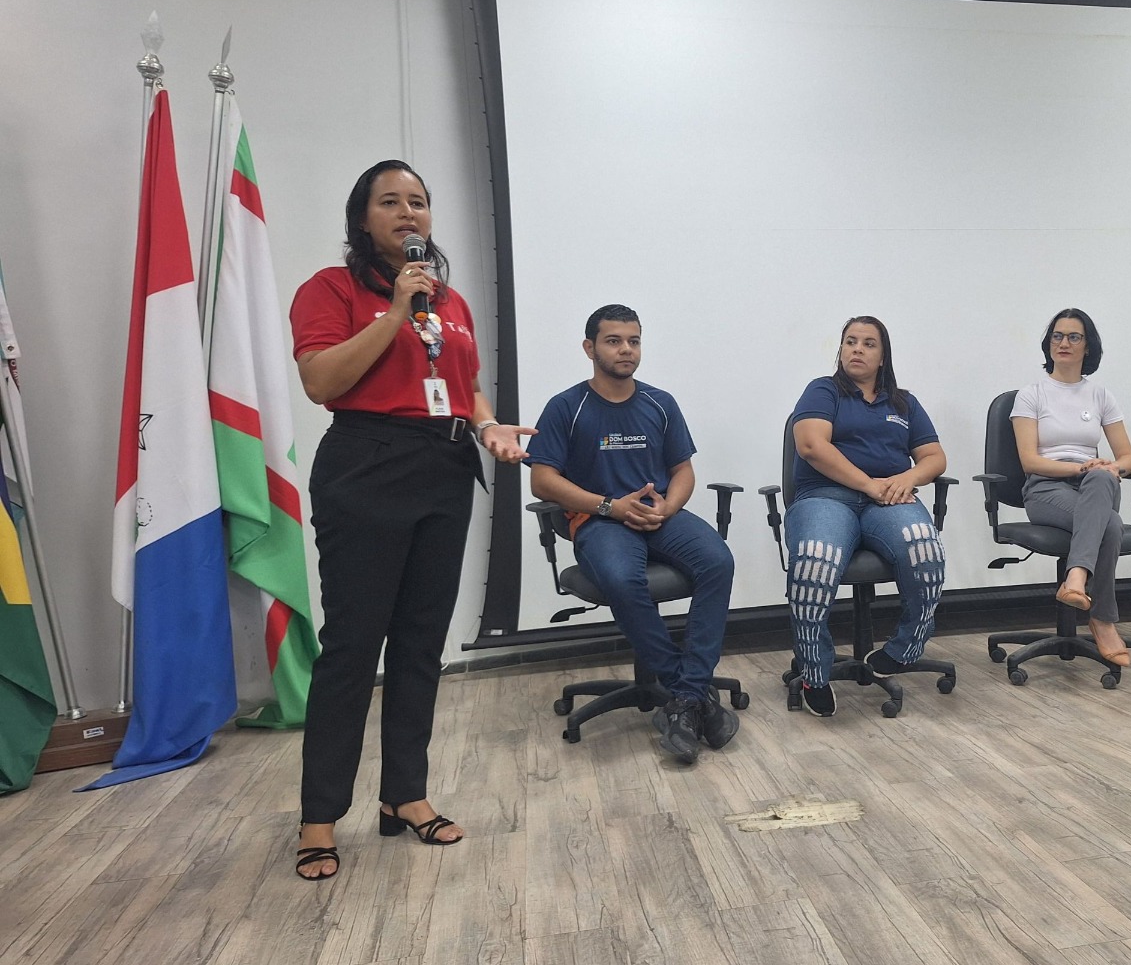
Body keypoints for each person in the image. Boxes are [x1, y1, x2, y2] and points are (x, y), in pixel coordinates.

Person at [288, 160, 533, 881]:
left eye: (418, 203)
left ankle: (406, 797)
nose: (407, 213)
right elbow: (320, 380)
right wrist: (395, 310)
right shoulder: (330, 290)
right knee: (352, 649)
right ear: (361, 219)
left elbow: (469, 388)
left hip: (443, 469)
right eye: (389, 202)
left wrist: (488, 428)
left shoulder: (449, 301)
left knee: (422, 643)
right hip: (365, 466)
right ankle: (319, 816)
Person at [526, 305, 738, 764]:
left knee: (718, 561)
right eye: (614, 340)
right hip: (600, 519)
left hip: (658, 513)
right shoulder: (567, 406)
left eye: (634, 341)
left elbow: (683, 470)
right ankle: (689, 693)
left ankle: (687, 692)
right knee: (624, 580)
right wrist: (608, 505)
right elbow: (542, 480)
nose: (626, 349)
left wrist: (669, 505)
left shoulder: (660, 403)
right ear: (590, 348)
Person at [784, 316, 948, 717]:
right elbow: (810, 445)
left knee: (925, 550)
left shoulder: (903, 403)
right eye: (850, 342)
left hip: (888, 499)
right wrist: (868, 484)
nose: (857, 349)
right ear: (840, 350)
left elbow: (935, 457)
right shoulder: (823, 391)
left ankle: (904, 648)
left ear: (882, 356)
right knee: (814, 560)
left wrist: (907, 477)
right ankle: (813, 670)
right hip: (827, 496)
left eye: (868, 343)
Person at [1010, 308, 1131, 666]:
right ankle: (1103, 617)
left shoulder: (1101, 396)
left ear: (1088, 347)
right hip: (1046, 488)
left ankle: (1076, 578)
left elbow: (1128, 457)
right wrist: (1078, 467)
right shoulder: (1031, 395)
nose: (1064, 343)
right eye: (1057, 336)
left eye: (1073, 337)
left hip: (1093, 485)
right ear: (1049, 344)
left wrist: (1110, 466)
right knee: (1110, 524)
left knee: (1102, 475)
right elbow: (1029, 461)